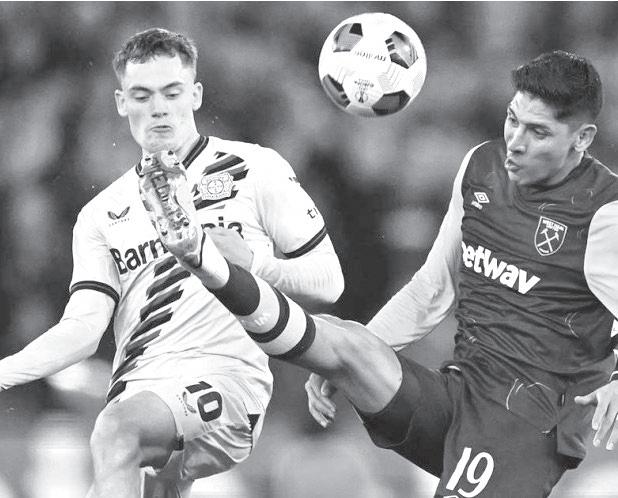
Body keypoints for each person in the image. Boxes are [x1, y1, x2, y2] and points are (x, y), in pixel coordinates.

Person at [142, 50, 618, 497]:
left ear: (582, 138)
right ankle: (210, 262)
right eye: (513, 120)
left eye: (538, 133)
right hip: (458, 393)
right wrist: (343, 368)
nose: (516, 141)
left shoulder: (604, 214)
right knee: (345, 342)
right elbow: (433, 288)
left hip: (525, 425)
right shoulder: (482, 167)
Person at [0, 28, 344, 498]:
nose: (158, 108)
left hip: (224, 381)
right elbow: (82, 330)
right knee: (128, 454)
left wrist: (256, 262)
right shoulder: (101, 213)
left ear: (196, 95)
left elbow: (329, 281)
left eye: (172, 92)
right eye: (142, 95)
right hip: (139, 395)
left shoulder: (254, 168)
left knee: (115, 431)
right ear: (122, 102)